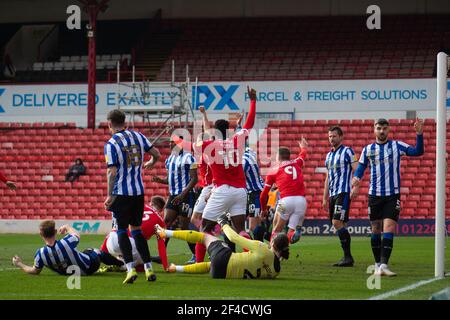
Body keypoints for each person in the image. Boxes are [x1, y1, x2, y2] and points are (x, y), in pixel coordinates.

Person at [351, 118, 424, 276]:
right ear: (374, 130)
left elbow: (418, 151)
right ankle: (377, 264)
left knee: (389, 227)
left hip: (393, 195)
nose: (382, 131)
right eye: (379, 128)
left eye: (384, 128)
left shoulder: (397, 146)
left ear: (388, 129)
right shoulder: (368, 149)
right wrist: (357, 179)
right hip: (374, 195)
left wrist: (419, 134)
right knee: (376, 229)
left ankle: (384, 265)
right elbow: (361, 167)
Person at [104, 109, 161, 284]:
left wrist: (109, 195)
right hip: (138, 193)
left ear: (109, 124)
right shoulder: (138, 136)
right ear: (124, 121)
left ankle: (129, 269)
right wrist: (151, 162)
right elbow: (157, 154)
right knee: (136, 230)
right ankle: (148, 268)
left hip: (121, 193)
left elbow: (111, 172)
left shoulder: (111, 144)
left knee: (122, 231)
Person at [154, 213, 289, 279]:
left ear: (272, 242)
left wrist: (224, 223)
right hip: (220, 274)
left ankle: (165, 233)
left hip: (225, 259)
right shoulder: (276, 272)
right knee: (209, 265)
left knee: (205, 236)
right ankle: (174, 268)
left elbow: (234, 237)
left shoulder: (262, 248)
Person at [152, 135, 198, 263]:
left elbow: (194, 179)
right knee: (165, 222)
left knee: (184, 227)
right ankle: (162, 255)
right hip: (173, 195)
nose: (171, 144)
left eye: (174, 142)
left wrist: (183, 194)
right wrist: (160, 180)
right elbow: (170, 179)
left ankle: (196, 255)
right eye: (170, 142)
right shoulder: (169, 159)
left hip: (186, 196)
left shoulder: (189, 158)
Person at [100, 196, 169, 272]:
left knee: (115, 231)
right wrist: (166, 267)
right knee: (142, 263)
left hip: (113, 240)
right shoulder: (160, 222)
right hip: (133, 245)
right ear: (162, 209)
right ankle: (123, 265)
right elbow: (161, 246)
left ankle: (100, 255)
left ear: (151, 203)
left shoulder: (141, 206)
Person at [260, 137, 308, 244]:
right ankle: (293, 234)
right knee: (290, 233)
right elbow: (302, 155)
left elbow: (263, 194)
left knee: (276, 229)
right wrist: (303, 148)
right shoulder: (297, 163)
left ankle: (274, 256)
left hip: (286, 201)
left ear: (278, 157)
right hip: (301, 201)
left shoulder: (273, 170)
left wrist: (264, 210)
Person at [322, 126, 359, 267]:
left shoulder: (348, 152)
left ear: (341, 137)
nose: (331, 139)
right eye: (330, 136)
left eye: (334, 136)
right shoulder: (329, 155)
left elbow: (356, 170)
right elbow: (327, 177)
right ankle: (347, 257)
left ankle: (348, 257)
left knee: (336, 223)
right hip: (332, 194)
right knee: (340, 224)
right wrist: (324, 197)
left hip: (343, 192)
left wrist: (356, 186)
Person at [12, 220, 100, 276]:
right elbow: (76, 235)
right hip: (90, 268)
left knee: (84, 253)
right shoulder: (66, 242)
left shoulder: (40, 254)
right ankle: (113, 262)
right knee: (94, 251)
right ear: (55, 231)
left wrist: (19, 264)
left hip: (68, 273)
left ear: (41, 235)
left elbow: (35, 271)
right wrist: (67, 227)